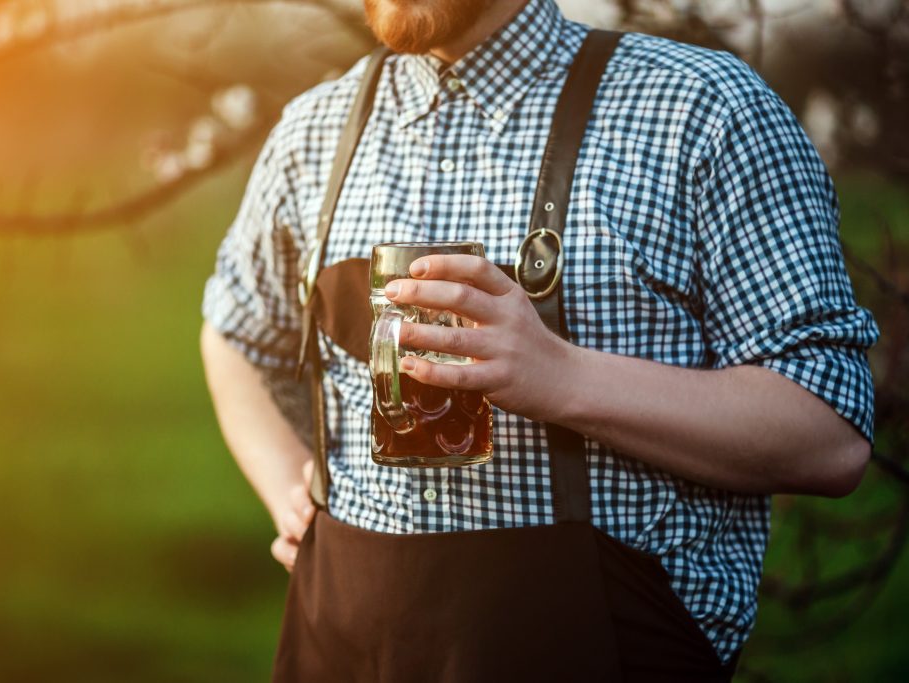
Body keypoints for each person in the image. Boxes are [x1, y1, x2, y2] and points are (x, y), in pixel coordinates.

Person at [200, 0, 879, 679]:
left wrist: (563, 376)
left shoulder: (702, 109)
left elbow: (828, 434)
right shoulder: (312, 131)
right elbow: (234, 331)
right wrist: (286, 483)